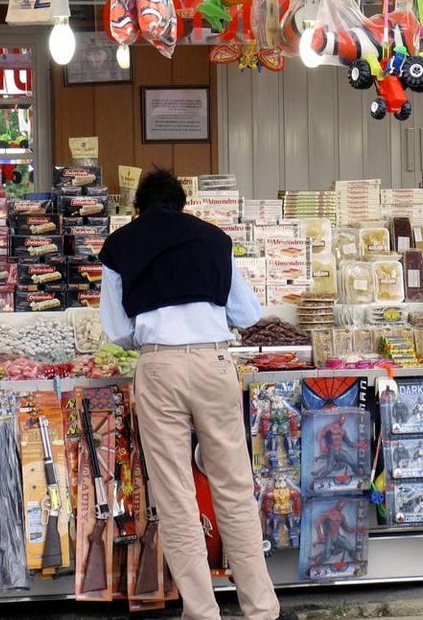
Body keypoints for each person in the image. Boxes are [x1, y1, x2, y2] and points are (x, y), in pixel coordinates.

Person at [99, 168, 284, 620]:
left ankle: (202, 612)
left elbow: (117, 330)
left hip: (159, 367)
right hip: (214, 363)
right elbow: (247, 312)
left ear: (137, 208)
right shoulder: (214, 239)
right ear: (184, 204)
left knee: (176, 496)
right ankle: (261, 609)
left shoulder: (119, 246)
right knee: (235, 490)